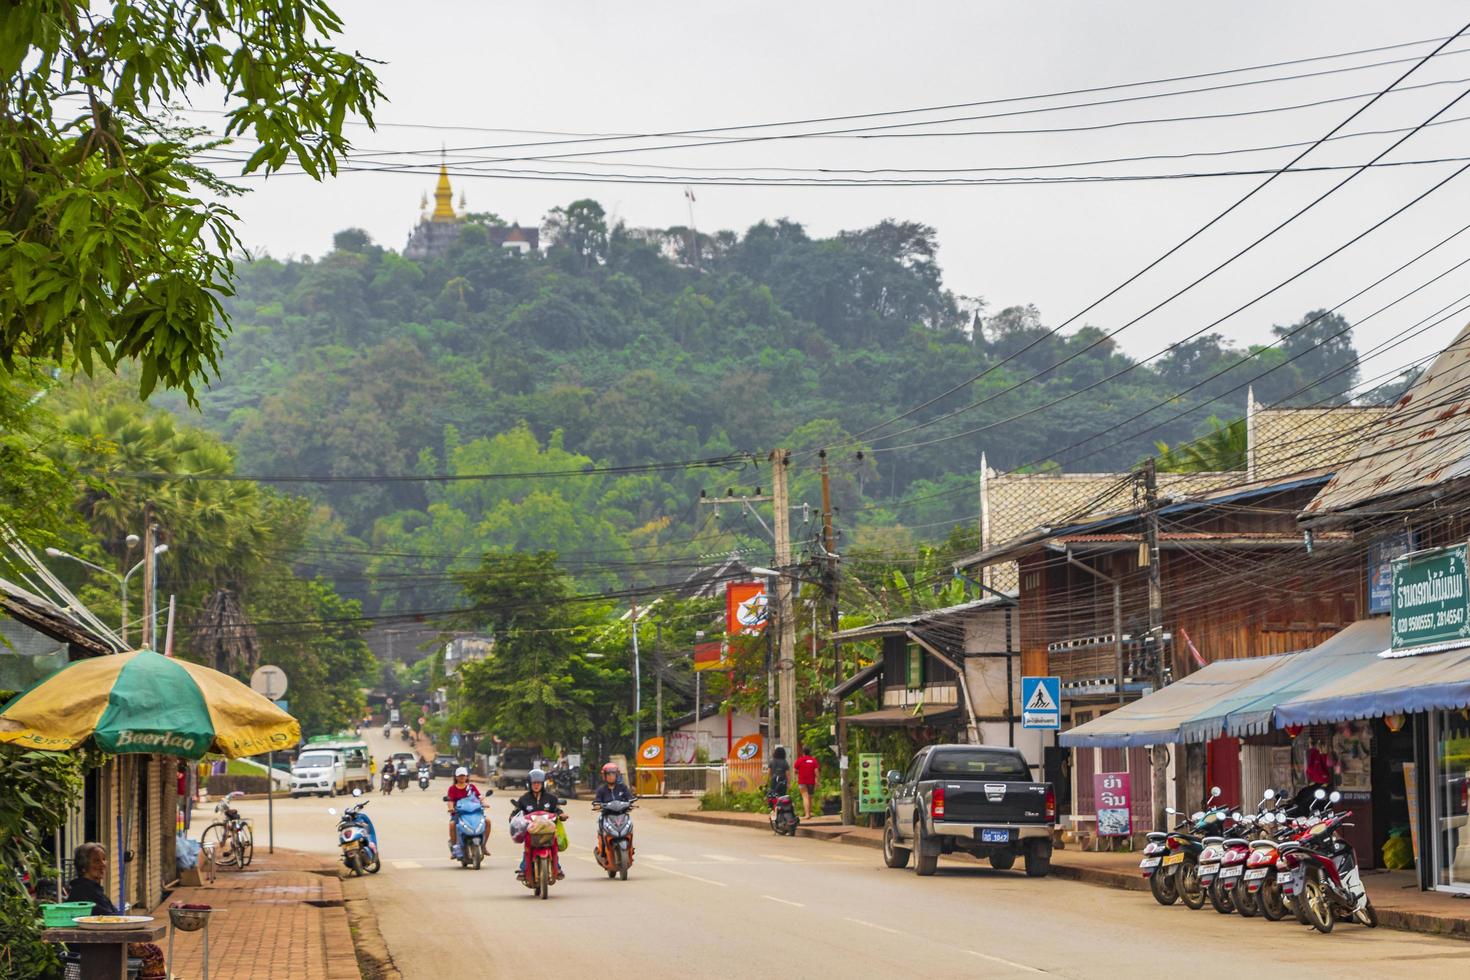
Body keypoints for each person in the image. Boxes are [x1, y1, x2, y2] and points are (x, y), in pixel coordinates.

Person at [511, 768, 565, 880]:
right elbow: (517, 812)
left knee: (554, 844)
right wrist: (513, 817)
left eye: (539, 783)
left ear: (543, 784)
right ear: (529, 784)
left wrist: (562, 815)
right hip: (531, 830)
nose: (536, 785)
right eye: (534, 783)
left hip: (548, 829)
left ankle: (557, 867)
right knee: (527, 847)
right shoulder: (524, 799)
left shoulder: (551, 798)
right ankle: (523, 868)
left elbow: (557, 810)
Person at [66, 842, 119, 915]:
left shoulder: (92, 888)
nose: (103, 864)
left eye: (104, 859)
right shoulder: (84, 891)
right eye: (96, 861)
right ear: (83, 867)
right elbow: (110, 919)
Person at [446, 766, 483, 858]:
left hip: (474, 813)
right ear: (456, 777)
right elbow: (450, 801)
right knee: (452, 824)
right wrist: (451, 808)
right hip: (459, 813)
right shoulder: (452, 789)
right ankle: (455, 848)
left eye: (464, 775)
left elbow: (479, 797)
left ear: (467, 776)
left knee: (487, 822)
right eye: (460, 776)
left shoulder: (471, 787)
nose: (462, 777)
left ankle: (484, 845)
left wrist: (484, 803)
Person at [794, 749, 819, 819]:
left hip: (802, 781)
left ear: (803, 753)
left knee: (805, 797)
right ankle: (809, 813)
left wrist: (799, 772)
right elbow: (816, 771)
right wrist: (817, 781)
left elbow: (795, 770)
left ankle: (807, 814)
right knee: (810, 797)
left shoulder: (799, 760)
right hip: (811, 781)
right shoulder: (813, 760)